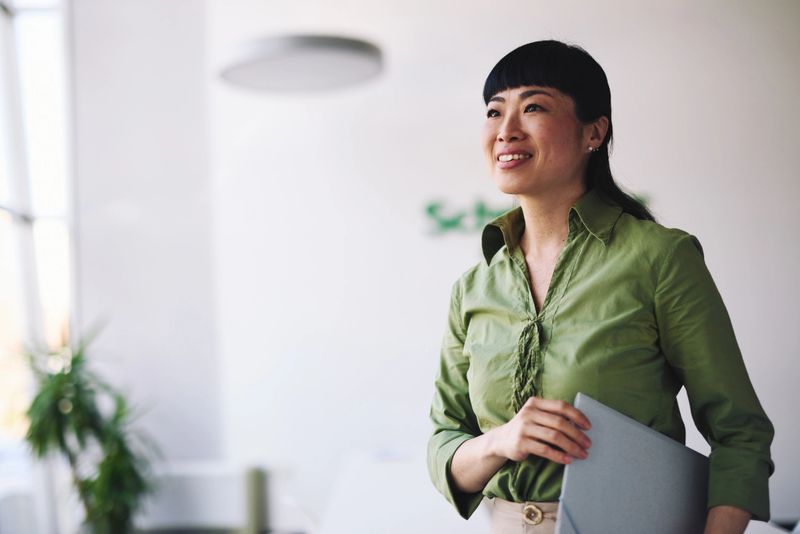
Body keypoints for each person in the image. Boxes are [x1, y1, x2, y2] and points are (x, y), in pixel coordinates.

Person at [426, 40, 774, 534]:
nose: (506, 130)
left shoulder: (660, 257)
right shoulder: (474, 287)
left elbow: (741, 434)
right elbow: (444, 442)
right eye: (493, 111)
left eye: (533, 107)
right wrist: (500, 441)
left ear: (594, 131)